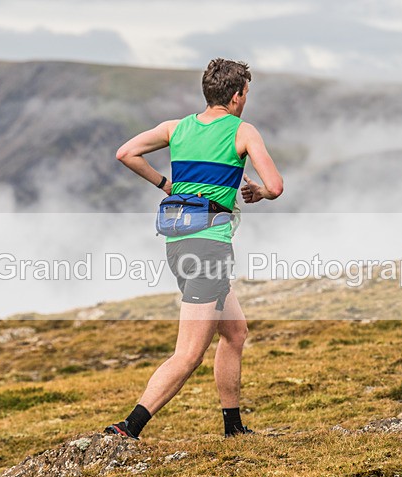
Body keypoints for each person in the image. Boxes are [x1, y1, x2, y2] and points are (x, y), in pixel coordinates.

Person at [105, 58, 284, 439]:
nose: (245, 101)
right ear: (237, 96)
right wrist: (259, 192)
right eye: (245, 94)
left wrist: (165, 185)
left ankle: (233, 427)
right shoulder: (243, 131)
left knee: (235, 333)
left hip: (178, 243)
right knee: (188, 353)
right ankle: (128, 427)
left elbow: (126, 153)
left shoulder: (176, 128)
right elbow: (276, 185)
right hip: (209, 249)